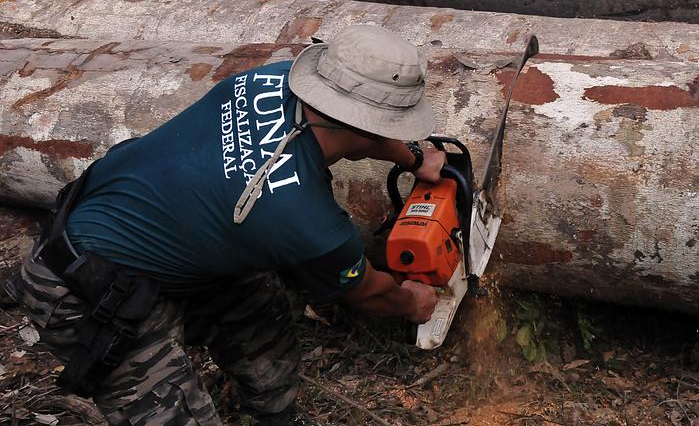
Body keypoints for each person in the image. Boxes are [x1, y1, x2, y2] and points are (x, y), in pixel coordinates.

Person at [4, 25, 445, 425]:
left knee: (259, 306)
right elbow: (368, 293)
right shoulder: (307, 221)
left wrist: (413, 158)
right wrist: (412, 303)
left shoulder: (266, 79)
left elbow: (358, 127)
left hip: (153, 233)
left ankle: (277, 415)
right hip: (85, 291)